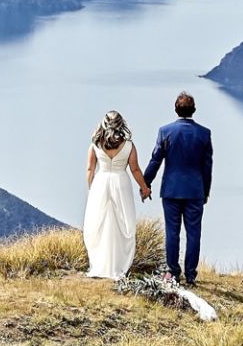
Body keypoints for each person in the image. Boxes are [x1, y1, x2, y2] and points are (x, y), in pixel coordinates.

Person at [142, 91, 213, 285]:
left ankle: (173, 272)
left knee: (172, 232)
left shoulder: (165, 132)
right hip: (195, 191)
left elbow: (155, 160)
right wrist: (205, 191)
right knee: (194, 232)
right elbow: (207, 167)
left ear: (175, 109)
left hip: (171, 191)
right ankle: (191, 274)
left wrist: (145, 182)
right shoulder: (204, 134)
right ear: (194, 110)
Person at [81, 109, 148, 279]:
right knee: (122, 223)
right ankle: (118, 265)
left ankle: (99, 263)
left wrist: (92, 188)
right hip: (121, 183)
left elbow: (90, 169)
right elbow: (135, 169)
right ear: (120, 124)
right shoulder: (129, 146)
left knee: (100, 223)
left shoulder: (95, 144)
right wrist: (145, 187)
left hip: (101, 183)